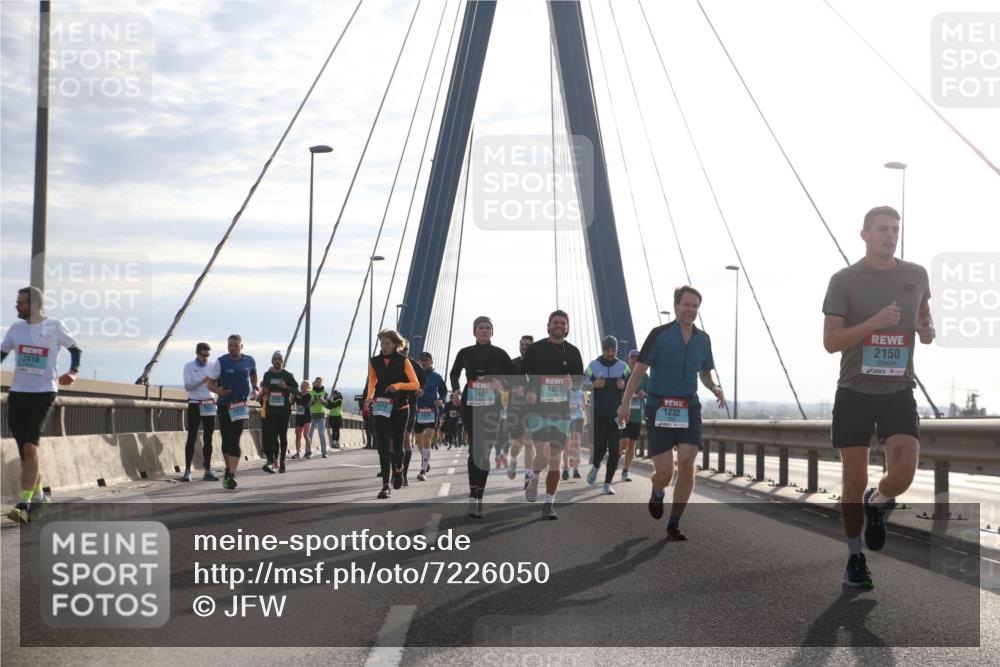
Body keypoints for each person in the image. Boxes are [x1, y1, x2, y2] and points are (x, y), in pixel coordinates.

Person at [822, 205, 933, 589]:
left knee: (902, 475)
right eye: (883, 229)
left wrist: (925, 328)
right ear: (864, 234)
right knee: (853, 481)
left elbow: (924, 316)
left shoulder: (916, 274)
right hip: (854, 391)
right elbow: (831, 342)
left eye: (895, 229)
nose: (890, 235)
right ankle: (855, 556)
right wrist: (873, 324)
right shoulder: (844, 280)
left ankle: (879, 500)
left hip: (898, 391)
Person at [618, 287, 725, 540]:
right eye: (686, 304)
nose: (690, 310)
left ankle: (674, 523)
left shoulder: (703, 339)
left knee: (688, 463)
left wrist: (715, 387)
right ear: (676, 306)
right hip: (660, 408)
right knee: (665, 473)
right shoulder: (659, 335)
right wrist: (624, 404)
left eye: (695, 306)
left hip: (689, 407)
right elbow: (639, 371)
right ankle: (657, 490)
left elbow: (705, 372)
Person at [1, 286, 81, 522]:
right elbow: (2, 353)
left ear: (34, 305)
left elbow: (75, 348)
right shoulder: (16, 329)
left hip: (44, 392)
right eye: (17, 302)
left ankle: (23, 504)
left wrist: (73, 372)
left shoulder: (54, 326)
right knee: (25, 451)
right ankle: (38, 495)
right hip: (18, 394)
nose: (17, 305)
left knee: (30, 448)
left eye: (21, 302)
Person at [521, 310, 584, 520]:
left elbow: (579, 381)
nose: (559, 325)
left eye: (563, 323)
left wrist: (572, 383)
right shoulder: (535, 349)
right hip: (538, 410)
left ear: (567, 327)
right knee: (544, 455)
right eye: (555, 322)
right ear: (548, 325)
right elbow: (522, 375)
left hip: (562, 412)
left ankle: (549, 504)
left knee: (555, 458)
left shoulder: (574, 352)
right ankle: (535, 477)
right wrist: (528, 390)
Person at [449, 316, 515, 518]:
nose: (485, 330)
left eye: (488, 328)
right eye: (481, 327)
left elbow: (513, 378)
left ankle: (480, 495)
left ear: (492, 332)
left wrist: (500, 383)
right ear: (474, 331)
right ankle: (472, 494)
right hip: (470, 405)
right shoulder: (465, 352)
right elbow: (454, 373)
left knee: (485, 451)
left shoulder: (501, 354)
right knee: (475, 447)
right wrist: (456, 390)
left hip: (492, 407)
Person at [366, 329, 421, 499]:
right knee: (382, 445)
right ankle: (385, 485)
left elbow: (415, 384)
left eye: (387, 344)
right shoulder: (374, 361)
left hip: (400, 408)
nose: (384, 347)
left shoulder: (404, 361)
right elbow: (372, 382)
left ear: (396, 344)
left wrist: (398, 386)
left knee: (398, 446)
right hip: (381, 406)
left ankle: (398, 469)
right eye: (382, 343)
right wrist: (368, 398)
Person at [206, 334, 258, 490]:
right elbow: (210, 384)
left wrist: (255, 388)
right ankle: (228, 469)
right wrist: (219, 392)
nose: (233, 348)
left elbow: (253, 374)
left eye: (236, 345)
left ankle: (232, 475)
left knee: (235, 439)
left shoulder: (249, 360)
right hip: (224, 406)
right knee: (226, 440)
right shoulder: (221, 362)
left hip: (240, 405)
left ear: (241, 346)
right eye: (230, 346)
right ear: (227, 346)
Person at [585, 336, 630, 495]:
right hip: (597, 416)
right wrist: (592, 385)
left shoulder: (624, 367)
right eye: (607, 350)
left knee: (615, 449)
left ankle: (607, 483)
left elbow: (629, 391)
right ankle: (596, 466)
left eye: (613, 351)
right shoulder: (592, 366)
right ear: (602, 349)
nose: (610, 353)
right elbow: (582, 391)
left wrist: (623, 385)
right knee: (600, 449)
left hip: (617, 417)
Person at [181, 342, 219, 481]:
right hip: (195, 403)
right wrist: (204, 380)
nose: (205, 358)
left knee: (208, 438)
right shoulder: (189, 366)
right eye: (203, 355)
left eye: (208, 355)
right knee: (192, 436)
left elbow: (217, 384)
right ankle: (187, 470)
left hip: (209, 403)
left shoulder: (213, 366)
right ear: (197, 353)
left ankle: (208, 469)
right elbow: (188, 387)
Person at [259, 351, 298, 474]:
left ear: (282, 361)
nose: (277, 360)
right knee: (270, 437)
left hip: (283, 411)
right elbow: (264, 387)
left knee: (282, 436)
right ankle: (271, 461)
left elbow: (296, 391)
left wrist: (286, 387)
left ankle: (282, 461)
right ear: (272, 361)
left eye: (279, 359)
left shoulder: (287, 375)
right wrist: (264, 390)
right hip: (270, 411)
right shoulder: (267, 375)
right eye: (275, 358)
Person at [506, 335, 535, 489]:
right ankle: (513, 460)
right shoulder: (513, 364)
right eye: (522, 344)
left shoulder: (538, 365)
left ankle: (528, 476)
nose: (524, 346)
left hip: (533, 409)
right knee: (518, 442)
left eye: (528, 345)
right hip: (515, 408)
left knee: (529, 441)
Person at [415, 352, 447, 482]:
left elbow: (444, 392)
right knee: (419, 442)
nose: (423, 362)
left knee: (427, 439)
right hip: (418, 411)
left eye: (426, 360)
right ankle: (425, 459)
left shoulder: (437, 377)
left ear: (431, 362)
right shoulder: (415, 376)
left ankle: (423, 469)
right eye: (421, 360)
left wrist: (441, 400)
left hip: (431, 412)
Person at [400, 342, 427, 486]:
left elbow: (423, 380)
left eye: (406, 350)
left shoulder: (413, 365)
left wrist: (420, 389)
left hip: (409, 404)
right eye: (401, 349)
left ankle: (403, 474)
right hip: (391, 406)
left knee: (405, 438)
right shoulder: (386, 363)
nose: (404, 352)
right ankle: (395, 470)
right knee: (392, 442)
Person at [619, 349, 647, 482]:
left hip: (636, 415)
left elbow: (649, 392)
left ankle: (625, 471)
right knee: (623, 443)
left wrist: (644, 394)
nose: (635, 360)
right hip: (623, 414)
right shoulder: (623, 374)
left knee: (632, 444)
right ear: (628, 359)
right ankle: (614, 460)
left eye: (637, 357)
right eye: (632, 358)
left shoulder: (645, 376)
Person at [306, 377, 330, 458]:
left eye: (320, 382)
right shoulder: (310, 393)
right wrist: (312, 402)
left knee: (321, 433)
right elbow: (307, 405)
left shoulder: (325, 393)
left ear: (321, 383)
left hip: (321, 415)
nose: (318, 383)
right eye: (317, 382)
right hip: (312, 415)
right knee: (309, 434)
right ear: (314, 382)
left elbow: (327, 405)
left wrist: (322, 401)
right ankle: (308, 452)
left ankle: (324, 452)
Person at [291, 381, 312, 458]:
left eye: (304, 385)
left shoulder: (309, 396)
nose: (302, 387)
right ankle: (297, 453)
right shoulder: (297, 394)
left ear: (307, 387)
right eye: (301, 385)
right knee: (298, 435)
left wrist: (297, 398)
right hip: (299, 416)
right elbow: (291, 403)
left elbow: (305, 404)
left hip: (306, 417)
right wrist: (292, 396)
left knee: (306, 435)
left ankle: (309, 452)